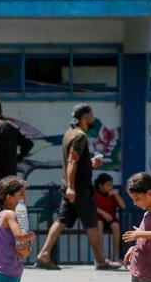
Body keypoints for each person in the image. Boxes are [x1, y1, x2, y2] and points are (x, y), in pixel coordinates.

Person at [35, 104, 121, 271]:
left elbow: (76, 161)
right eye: (91, 114)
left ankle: (44, 254)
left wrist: (90, 164)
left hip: (72, 187)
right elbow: (72, 161)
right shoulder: (80, 136)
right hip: (80, 189)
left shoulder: (69, 133)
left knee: (61, 220)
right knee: (91, 223)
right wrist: (72, 188)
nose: (93, 116)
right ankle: (100, 260)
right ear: (85, 116)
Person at [0, 98, 34, 198]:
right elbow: (28, 144)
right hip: (12, 175)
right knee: (10, 206)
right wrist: (17, 158)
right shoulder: (12, 126)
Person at [94, 173, 126, 263]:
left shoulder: (112, 194)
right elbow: (92, 207)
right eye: (108, 185)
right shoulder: (95, 194)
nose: (111, 187)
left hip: (111, 220)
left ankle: (115, 256)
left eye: (111, 184)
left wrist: (116, 195)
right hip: (99, 218)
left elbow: (123, 206)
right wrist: (103, 213)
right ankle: (102, 255)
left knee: (116, 226)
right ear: (101, 185)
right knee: (99, 224)